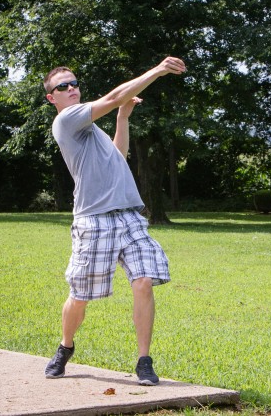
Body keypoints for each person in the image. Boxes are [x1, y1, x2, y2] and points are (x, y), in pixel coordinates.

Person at [42, 56, 186, 386]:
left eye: (75, 83)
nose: (71, 89)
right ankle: (66, 346)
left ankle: (144, 361)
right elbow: (111, 97)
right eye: (63, 86)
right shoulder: (67, 121)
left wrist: (123, 116)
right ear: (53, 98)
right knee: (80, 295)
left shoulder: (91, 130)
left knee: (144, 280)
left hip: (129, 218)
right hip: (93, 220)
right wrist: (158, 69)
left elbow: (118, 156)